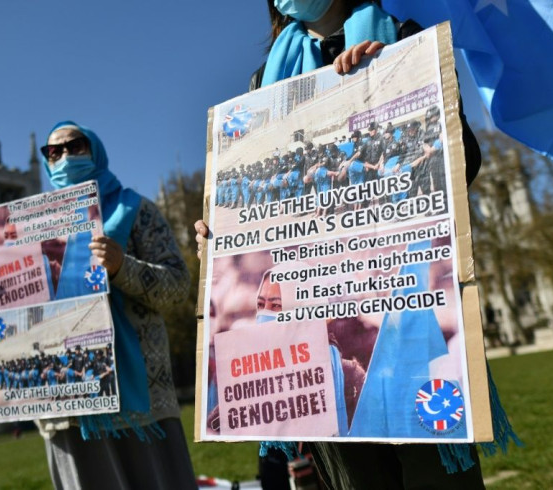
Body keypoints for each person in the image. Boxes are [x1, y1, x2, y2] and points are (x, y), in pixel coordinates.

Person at [195, 1, 490, 488]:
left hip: (397, 303)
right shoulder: (262, 84)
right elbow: (262, 201)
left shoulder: (401, 37)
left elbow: (464, 161)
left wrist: (389, 79)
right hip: (310, 316)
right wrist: (222, 232)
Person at [0, 121, 196, 490]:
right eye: (53, 152)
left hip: (139, 399)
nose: (62, 156)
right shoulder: (21, 233)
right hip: (64, 399)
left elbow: (177, 286)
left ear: (95, 150)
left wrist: (123, 266)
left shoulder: (136, 210)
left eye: (74, 146)